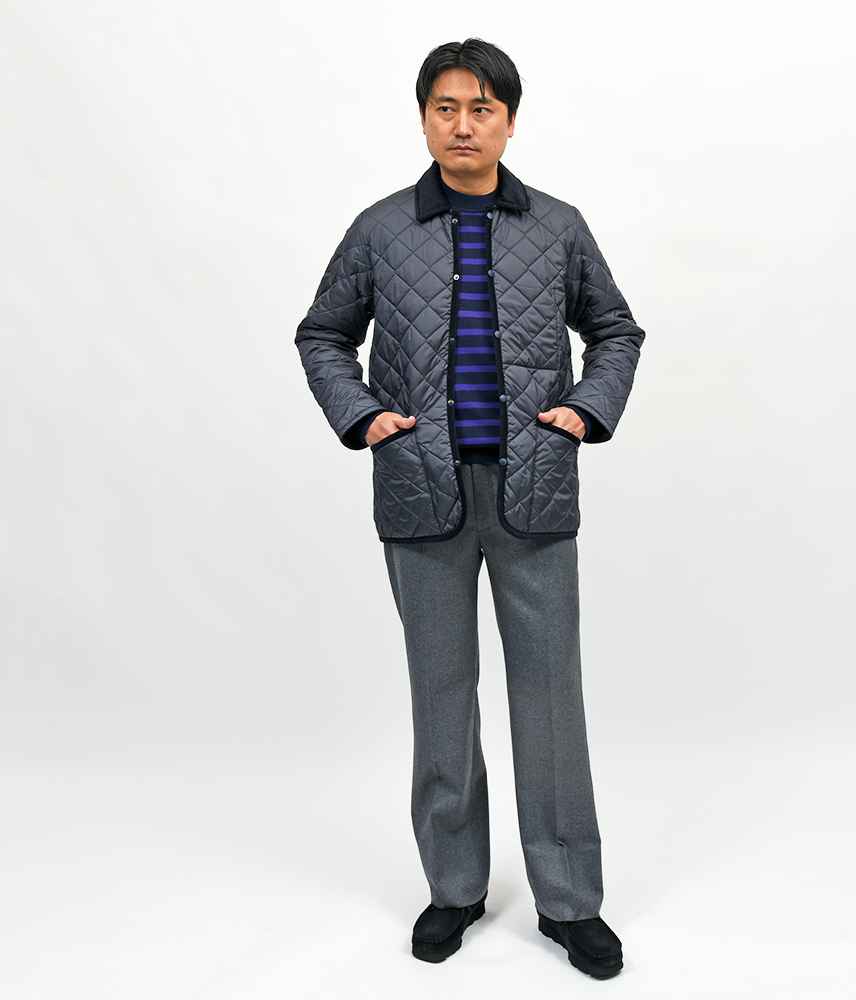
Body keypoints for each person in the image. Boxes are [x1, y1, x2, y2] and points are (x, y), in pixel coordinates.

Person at [295, 38, 644, 979]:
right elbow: (323, 334)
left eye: (481, 108)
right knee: (442, 698)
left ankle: (569, 902)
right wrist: (366, 416)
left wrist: (586, 410)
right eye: (445, 107)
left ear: (510, 121)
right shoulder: (380, 230)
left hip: (534, 491)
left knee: (550, 701)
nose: (463, 124)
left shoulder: (559, 226)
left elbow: (615, 330)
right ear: (423, 120)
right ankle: (454, 888)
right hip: (422, 490)